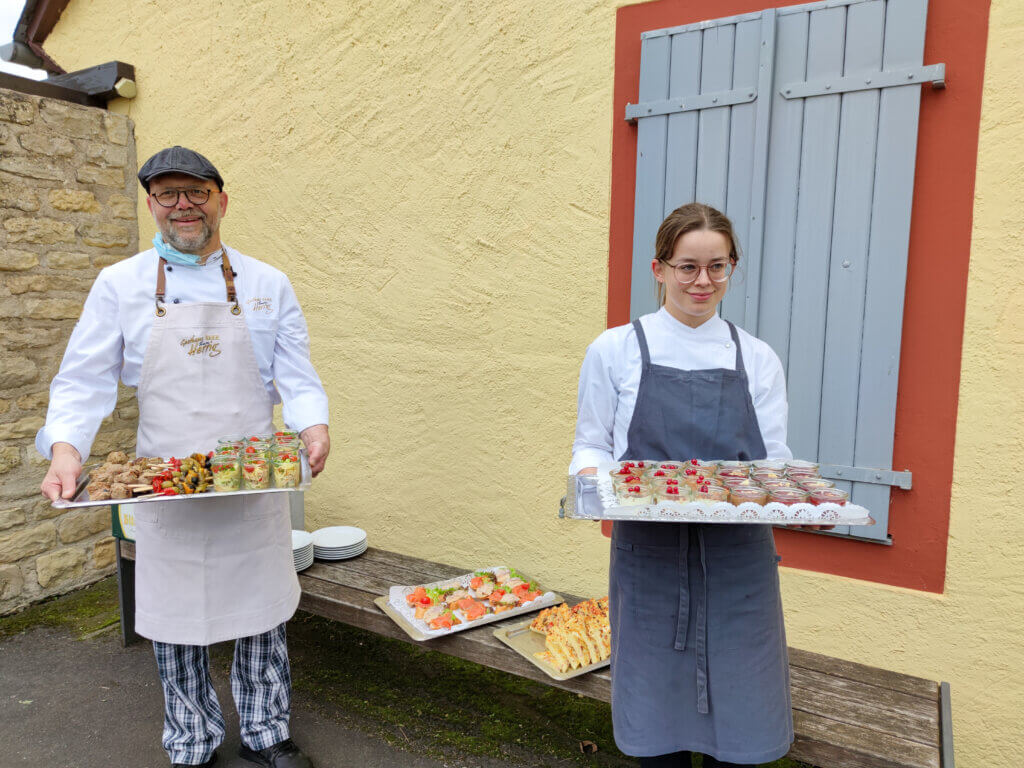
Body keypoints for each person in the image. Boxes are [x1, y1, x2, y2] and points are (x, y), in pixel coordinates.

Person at [38, 146, 330, 768]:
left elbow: (297, 374)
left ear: (221, 202)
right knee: (174, 622)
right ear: (151, 206)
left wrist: (312, 425)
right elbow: (83, 378)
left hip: (249, 479)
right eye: (168, 194)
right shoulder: (119, 284)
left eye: (196, 193)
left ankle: (266, 732)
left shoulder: (267, 283)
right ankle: (192, 740)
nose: (183, 206)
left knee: (262, 613)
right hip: (164, 482)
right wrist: (66, 449)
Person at [570, 203, 798, 767]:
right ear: (659, 269)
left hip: (738, 563)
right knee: (655, 732)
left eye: (717, 267)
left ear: (732, 268)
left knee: (743, 726)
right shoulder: (615, 349)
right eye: (687, 267)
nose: (703, 281)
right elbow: (591, 445)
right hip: (648, 559)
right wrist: (593, 484)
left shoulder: (758, 358)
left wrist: (790, 498)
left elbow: (773, 461)